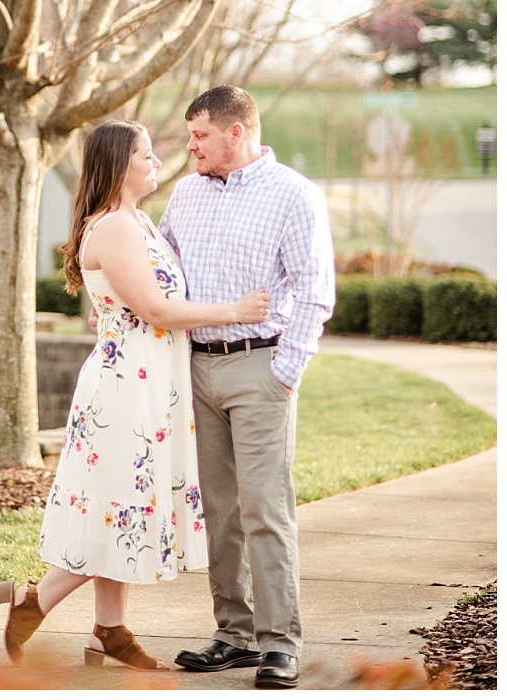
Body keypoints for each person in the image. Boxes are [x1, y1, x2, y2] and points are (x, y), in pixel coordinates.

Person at [0, 119, 271, 671]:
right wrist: (233, 312)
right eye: (147, 154)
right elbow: (155, 310)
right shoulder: (115, 229)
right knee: (119, 507)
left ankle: (109, 630)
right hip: (125, 389)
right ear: (121, 163)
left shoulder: (137, 220)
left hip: (150, 384)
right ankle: (35, 601)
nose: (156, 161)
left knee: (122, 502)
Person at [162, 86, 335, 690]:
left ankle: (279, 642)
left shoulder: (294, 196)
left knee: (265, 507)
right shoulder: (184, 195)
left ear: (236, 132)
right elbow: (165, 274)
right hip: (196, 369)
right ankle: (232, 633)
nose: (191, 148)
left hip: (260, 367)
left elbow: (315, 290)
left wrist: (284, 371)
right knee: (220, 510)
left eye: (201, 136)